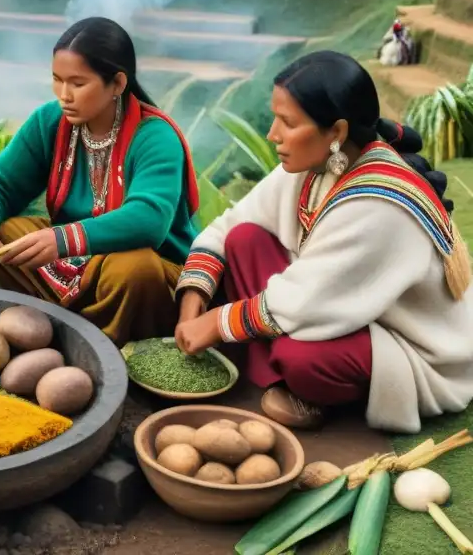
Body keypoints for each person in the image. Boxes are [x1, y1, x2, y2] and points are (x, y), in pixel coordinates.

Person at [174, 51, 473, 433]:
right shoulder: (320, 164)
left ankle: (309, 390)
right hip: (339, 305)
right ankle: (277, 372)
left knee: (300, 357)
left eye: (287, 122)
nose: (272, 135)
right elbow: (227, 225)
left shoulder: (377, 204)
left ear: (337, 132)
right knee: (243, 239)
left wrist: (217, 322)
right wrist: (192, 301)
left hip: (405, 343)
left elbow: (304, 300)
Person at [0, 17, 201, 346]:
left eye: (78, 83)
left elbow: (149, 220)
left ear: (117, 83)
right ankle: (41, 331)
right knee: (8, 235)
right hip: (76, 263)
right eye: (57, 80)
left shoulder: (155, 136)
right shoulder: (50, 121)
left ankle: (107, 349)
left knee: (133, 267)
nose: (64, 95)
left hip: (150, 273)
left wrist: (63, 239)